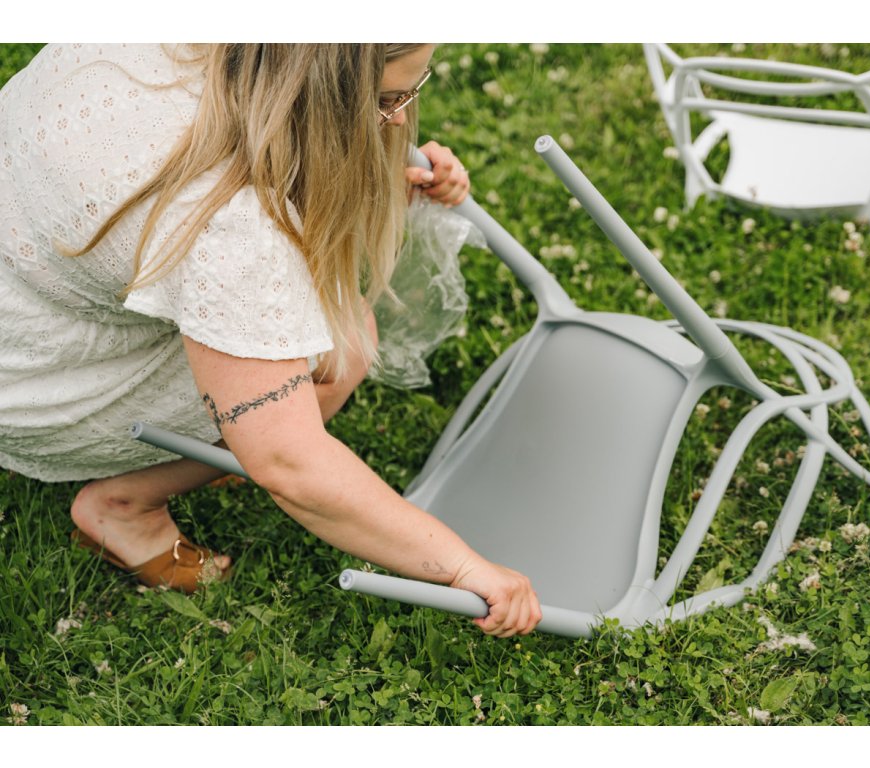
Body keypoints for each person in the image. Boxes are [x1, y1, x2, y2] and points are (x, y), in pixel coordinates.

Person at [0, 43, 542, 638]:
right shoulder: (229, 222)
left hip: (30, 301)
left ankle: (213, 447)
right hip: (28, 375)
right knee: (342, 348)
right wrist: (462, 566)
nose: (398, 120)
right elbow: (290, 462)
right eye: (388, 100)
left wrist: (383, 168)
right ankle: (124, 506)